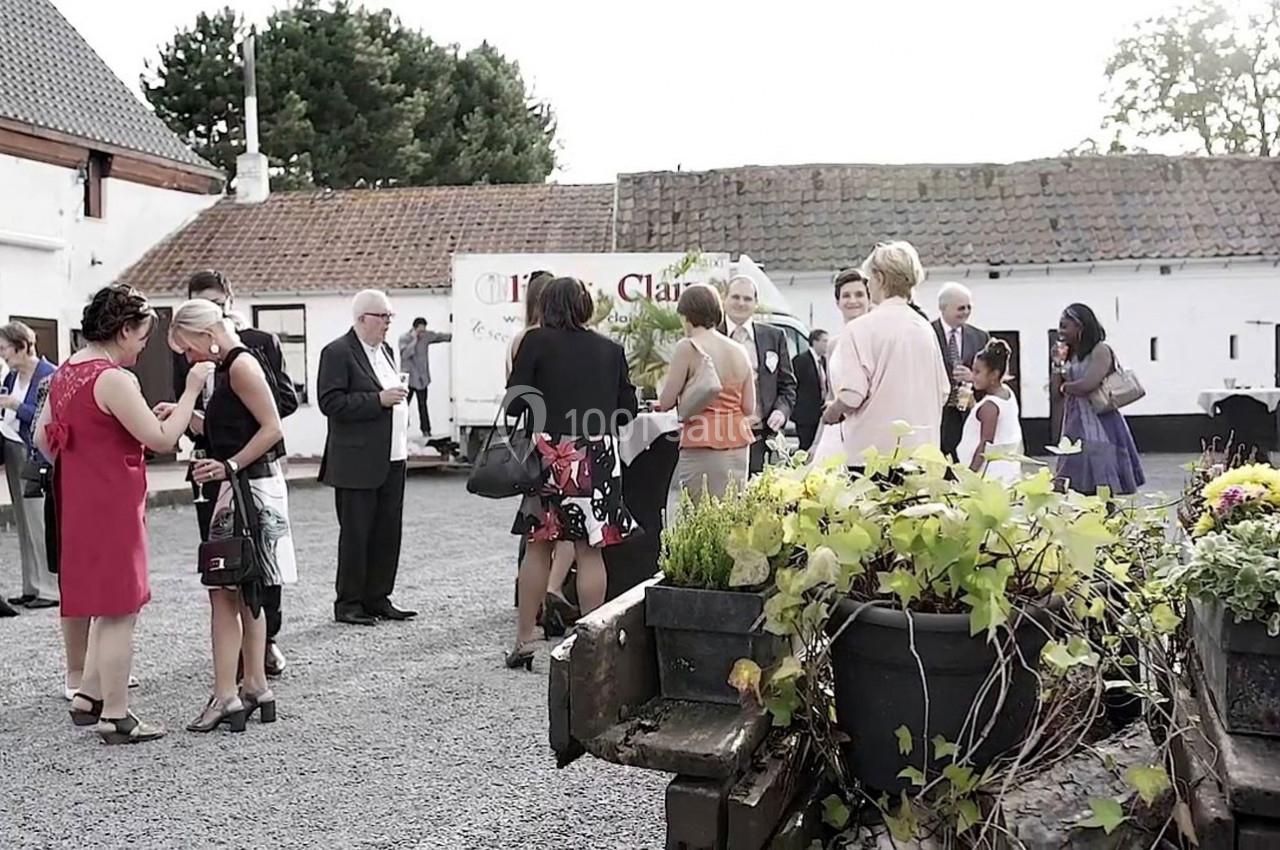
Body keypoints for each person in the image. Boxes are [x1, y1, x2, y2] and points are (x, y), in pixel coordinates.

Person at [35, 284, 213, 744]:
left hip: (78, 499)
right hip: (112, 500)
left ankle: (89, 693)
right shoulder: (113, 378)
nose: (142, 345)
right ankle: (116, 714)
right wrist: (191, 391)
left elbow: (42, 439)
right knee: (119, 609)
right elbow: (159, 438)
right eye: (141, 335)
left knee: (100, 602)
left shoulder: (66, 371)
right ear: (123, 329)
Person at [168, 300, 297, 733]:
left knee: (224, 591)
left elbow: (272, 427)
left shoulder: (239, 366)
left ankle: (227, 693)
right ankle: (255, 685)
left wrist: (230, 466)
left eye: (188, 349)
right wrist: (187, 417)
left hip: (246, 488)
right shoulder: (232, 365)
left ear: (207, 336)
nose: (188, 359)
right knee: (247, 589)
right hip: (247, 485)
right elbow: (233, 427)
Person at [505, 277, 639, 670]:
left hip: (550, 451)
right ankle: (590, 647)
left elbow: (515, 404)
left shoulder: (535, 342)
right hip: (597, 452)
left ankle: (525, 640)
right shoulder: (610, 349)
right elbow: (626, 411)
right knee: (590, 548)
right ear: (585, 306)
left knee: (538, 546)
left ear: (546, 306)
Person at [318, 290, 416, 626]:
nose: (388, 323)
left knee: (389, 531)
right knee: (357, 534)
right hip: (356, 462)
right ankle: (348, 603)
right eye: (383, 316)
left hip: (393, 455)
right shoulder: (337, 352)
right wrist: (378, 400)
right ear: (362, 318)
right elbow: (330, 403)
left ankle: (378, 597)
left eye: (390, 316)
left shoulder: (387, 351)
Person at [822, 242, 951, 470]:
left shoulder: (860, 328)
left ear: (880, 278)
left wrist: (832, 412)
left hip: (871, 457)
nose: (868, 284)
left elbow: (852, 395)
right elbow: (943, 391)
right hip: (922, 454)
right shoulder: (925, 328)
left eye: (869, 278)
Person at [507, 270, 577, 631]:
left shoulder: (523, 340)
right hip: (573, 445)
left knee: (534, 534)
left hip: (536, 440)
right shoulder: (575, 343)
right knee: (571, 532)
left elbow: (515, 397)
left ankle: (527, 614)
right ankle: (553, 589)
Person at [657, 283, 755, 499]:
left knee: (700, 516)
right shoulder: (740, 351)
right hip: (738, 442)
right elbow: (748, 407)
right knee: (732, 514)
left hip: (701, 440)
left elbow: (666, 402)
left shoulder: (688, 347)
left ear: (686, 315)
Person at [1054, 304, 1145, 496]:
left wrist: (1067, 388)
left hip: (1100, 422)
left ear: (1080, 326)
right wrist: (1057, 364)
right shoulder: (1072, 354)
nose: (1060, 331)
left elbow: (1089, 384)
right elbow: (1057, 386)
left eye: (1065, 326)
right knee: (1076, 484)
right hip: (1076, 422)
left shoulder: (1100, 350)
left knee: (1103, 484)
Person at [0, 322, 58, 609]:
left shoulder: (49, 375)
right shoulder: (11, 377)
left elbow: (49, 416)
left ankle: (49, 588)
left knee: (39, 520)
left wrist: (14, 406)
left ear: (22, 347)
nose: (3, 356)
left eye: (5, 349)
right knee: (22, 519)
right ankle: (31, 585)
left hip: (35, 454)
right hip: (12, 448)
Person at [720, 276, 796, 475]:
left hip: (758, 434)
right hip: (717, 434)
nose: (741, 303)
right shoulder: (711, 335)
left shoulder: (774, 336)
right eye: (735, 297)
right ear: (724, 300)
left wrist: (781, 411)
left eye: (747, 298)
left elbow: (787, 385)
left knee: (753, 494)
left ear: (755, 303)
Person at [932, 282, 990, 461]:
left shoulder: (980, 337)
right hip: (937, 415)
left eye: (968, 307)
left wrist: (973, 378)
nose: (965, 312)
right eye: (960, 308)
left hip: (968, 416)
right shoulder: (927, 333)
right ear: (943, 308)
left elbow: (993, 376)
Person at [955, 339, 1023, 484]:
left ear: (993, 375)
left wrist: (970, 475)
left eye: (977, 372)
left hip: (990, 475)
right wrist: (973, 405)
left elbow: (986, 444)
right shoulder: (1006, 393)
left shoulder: (990, 406)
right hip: (1007, 470)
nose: (973, 376)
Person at [398, 317, 452, 442]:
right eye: (420, 331)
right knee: (404, 406)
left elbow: (439, 337)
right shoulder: (404, 338)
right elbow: (405, 354)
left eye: (423, 331)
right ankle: (401, 429)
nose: (422, 334)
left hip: (422, 378)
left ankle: (426, 430)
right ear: (414, 329)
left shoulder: (426, 336)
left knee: (423, 405)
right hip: (409, 378)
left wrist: (458, 333)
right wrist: (415, 340)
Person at [791, 329, 830, 452]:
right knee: (805, 447)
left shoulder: (824, 361)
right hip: (805, 415)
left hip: (820, 412)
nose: (827, 344)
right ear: (815, 342)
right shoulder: (800, 361)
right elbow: (793, 386)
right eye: (824, 341)